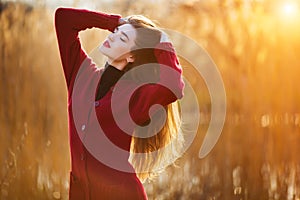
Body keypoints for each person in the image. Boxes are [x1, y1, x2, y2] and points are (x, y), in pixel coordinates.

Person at [55, 7, 184, 200]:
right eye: (116, 33)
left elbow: (173, 86)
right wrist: (113, 22)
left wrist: (163, 41)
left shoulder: (134, 95)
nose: (113, 37)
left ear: (131, 56)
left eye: (123, 39)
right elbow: (63, 19)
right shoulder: (81, 75)